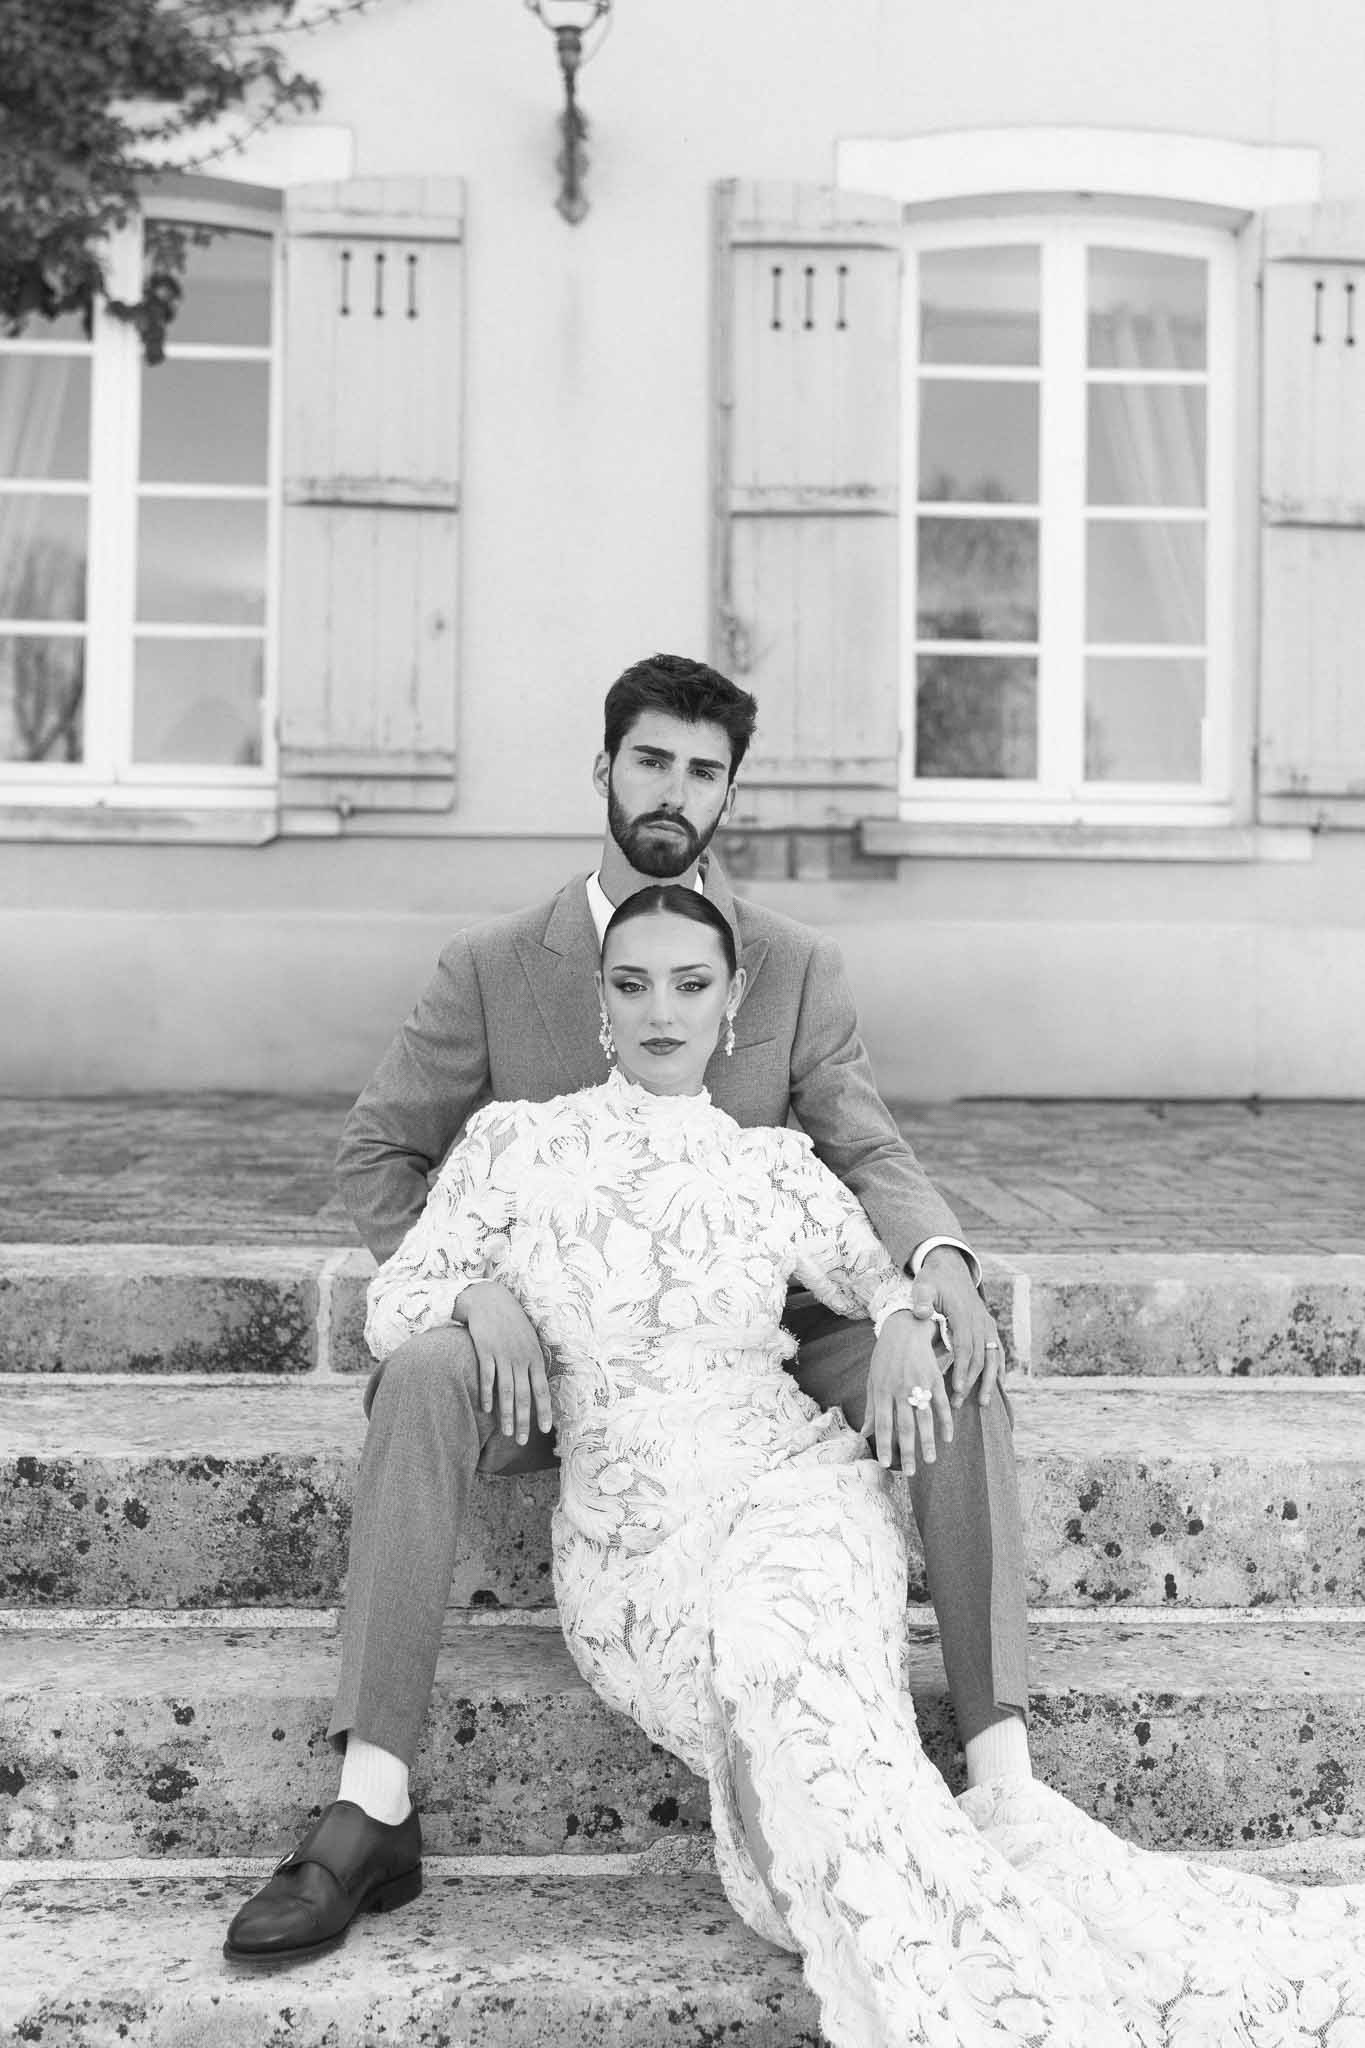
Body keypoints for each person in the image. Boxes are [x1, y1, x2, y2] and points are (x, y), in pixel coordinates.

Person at [332, 887, 1365, 2043]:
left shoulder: (772, 1163)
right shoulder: (516, 1145)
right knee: (795, 1828)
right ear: (600, 1005)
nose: (662, 1011)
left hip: (795, 1489)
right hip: (632, 1548)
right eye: (633, 984)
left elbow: (882, 1280)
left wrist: (914, 1321)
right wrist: (478, 1296)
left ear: (731, 1009)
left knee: (791, 1664)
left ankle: (983, 1903)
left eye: (691, 985)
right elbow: (393, 1299)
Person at [224, 652, 1023, 1966]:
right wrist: (473, 1288)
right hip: (551, 1352)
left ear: (729, 795)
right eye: (651, 759)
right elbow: (379, 1153)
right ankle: (371, 1803)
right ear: (604, 768)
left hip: (764, 1342)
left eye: (704, 771)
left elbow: (861, 1142)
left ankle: (1000, 1767)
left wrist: (931, 1264)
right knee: (418, 1371)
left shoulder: (790, 964)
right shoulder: (493, 964)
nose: (674, 790)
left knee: (955, 1356)